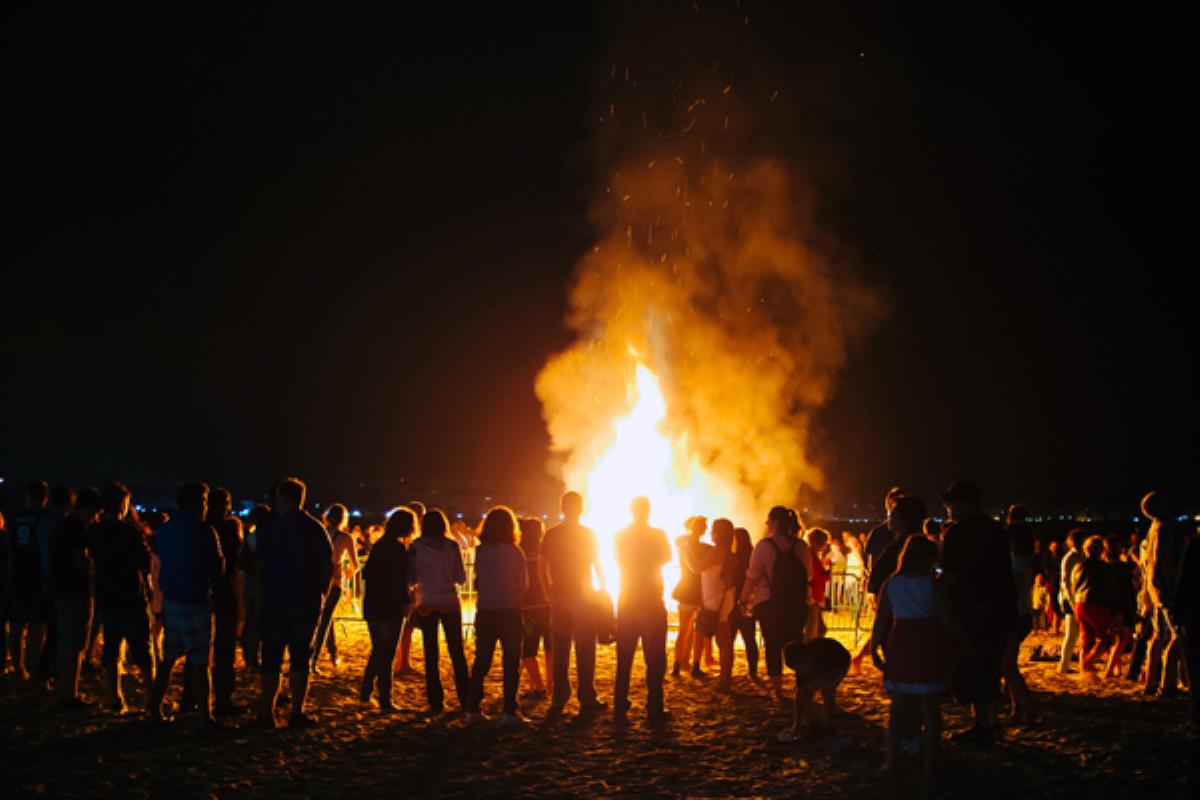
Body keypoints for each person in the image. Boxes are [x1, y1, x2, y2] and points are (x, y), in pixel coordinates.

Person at [871, 535, 960, 774]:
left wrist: (874, 649)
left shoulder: (891, 584)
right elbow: (946, 619)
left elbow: (880, 622)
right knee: (931, 710)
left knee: (897, 708)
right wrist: (963, 641)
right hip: (928, 641)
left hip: (900, 641)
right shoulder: (933, 584)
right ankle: (930, 762)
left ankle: (892, 760)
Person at [939, 481, 1015, 743]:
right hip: (1000, 607)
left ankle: (982, 725)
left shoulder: (958, 533)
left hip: (971, 609)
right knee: (990, 664)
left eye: (952, 503)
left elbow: (951, 574)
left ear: (967, 503)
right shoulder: (997, 529)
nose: (948, 508)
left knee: (972, 664)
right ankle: (988, 723)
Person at [253, 477, 333, 728]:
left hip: (275, 600)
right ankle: (297, 711)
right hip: (306, 601)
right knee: (301, 657)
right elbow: (326, 565)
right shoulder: (315, 528)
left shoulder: (271, 530)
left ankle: (267, 713)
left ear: (282, 498)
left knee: (271, 658)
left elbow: (258, 565)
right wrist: (321, 591)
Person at [147, 483, 223, 723]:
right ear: (195, 502)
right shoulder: (203, 531)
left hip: (172, 600)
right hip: (195, 599)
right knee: (200, 662)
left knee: (168, 659)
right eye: (204, 501)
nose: (206, 506)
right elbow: (217, 568)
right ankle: (204, 716)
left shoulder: (165, 530)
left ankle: (154, 709)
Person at [88, 483, 154, 714]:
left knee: (111, 648)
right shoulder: (128, 531)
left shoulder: (95, 531)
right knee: (142, 650)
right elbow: (144, 562)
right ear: (122, 504)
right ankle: (150, 697)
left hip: (107, 594)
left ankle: (115, 696)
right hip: (131, 594)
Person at [540, 491, 606, 714]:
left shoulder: (552, 534)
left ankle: (560, 696)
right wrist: (603, 587)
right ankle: (586, 696)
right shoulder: (588, 534)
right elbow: (596, 563)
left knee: (560, 646)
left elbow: (542, 566)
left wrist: (547, 590)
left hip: (559, 593)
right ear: (581, 508)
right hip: (583, 594)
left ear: (562, 508)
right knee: (585, 645)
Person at [465, 506, 529, 725]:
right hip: (509, 610)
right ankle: (509, 712)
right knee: (511, 663)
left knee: (482, 661)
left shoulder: (481, 551)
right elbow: (523, 584)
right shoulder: (515, 552)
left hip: (486, 610)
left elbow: (478, 579)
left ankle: (472, 709)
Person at [612, 496, 672, 721]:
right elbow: (667, 557)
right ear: (648, 511)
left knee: (624, 657)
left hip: (627, 600)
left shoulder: (620, 536)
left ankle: (620, 704)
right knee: (655, 659)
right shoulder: (657, 534)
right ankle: (654, 706)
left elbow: (618, 560)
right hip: (651, 601)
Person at [745, 506, 813, 703]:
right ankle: (802, 687)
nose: (767, 525)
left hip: (769, 603)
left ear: (774, 522)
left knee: (772, 645)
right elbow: (808, 574)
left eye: (768, 522)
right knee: (796, 643)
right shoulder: (801, 545)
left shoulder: (764, 546)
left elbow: (753, 575)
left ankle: (778, 692)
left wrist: (743, 599)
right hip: (798, 603)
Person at [410, 508, 470, 715]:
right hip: (449, 600)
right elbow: (461, 577)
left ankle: (436, 701)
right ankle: (465, 697)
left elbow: (411, 577)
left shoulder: (415, 547)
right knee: (456, 652)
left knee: (430, 653)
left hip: (426, 601)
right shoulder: (452, 546)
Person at [359, 507, 414, 713]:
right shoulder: (398, 549)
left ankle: (365, 694)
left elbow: (368, 574)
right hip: (390, 606)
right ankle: (385, 699)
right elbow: (397, 579)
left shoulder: (379, 546)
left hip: (373, 604)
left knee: (378, 650)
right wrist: (404, 601)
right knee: (387, 653)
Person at [49, 487, 99, 708]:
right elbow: (81, 560)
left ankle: (63, 691)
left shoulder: (63, 524)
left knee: (64, 643)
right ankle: (70, 694)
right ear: (90, 509)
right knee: (75, 644)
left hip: (60, 589)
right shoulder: (78, 528)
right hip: (76, 591)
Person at [1141, 491, 1186, 696]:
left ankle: (1151, 682)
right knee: (1179, 635)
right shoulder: (1164, 528)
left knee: (1159, 636)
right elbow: (1166, 560)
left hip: (1155, 589)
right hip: (1167, 589)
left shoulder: (1152, 529)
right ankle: (1167, 684)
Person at [205, 487, 244, 716]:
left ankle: (192, 697)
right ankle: (223, 699)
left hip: (202, 591)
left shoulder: (202, 528)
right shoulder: (230, 528)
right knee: (224, 650)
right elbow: (236, 567)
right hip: (224, 593)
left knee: (199, 650)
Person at [6, 480, 49, 684]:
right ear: (45, 497)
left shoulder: (14, 517)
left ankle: (18, 667)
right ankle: (33, 670)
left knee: (16, 626)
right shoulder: (45, 517)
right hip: (39, 577)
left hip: (18, 576)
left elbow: (9, 547)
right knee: (37, 628)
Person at [313, 503, 360, 675]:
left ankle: (332, 652)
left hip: (316, 581)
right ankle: (315, 659)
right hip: (334, 582)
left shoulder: (318, 533)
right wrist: (345, 574)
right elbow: (355, 565)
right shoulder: (346, 538)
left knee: (325, 617)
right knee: (325, 620)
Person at [779, 637, 850, 745]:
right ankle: (811, 723)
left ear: (809, 659)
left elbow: (831, 677)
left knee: (827, 691)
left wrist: (817, 684)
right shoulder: (800, 662)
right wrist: (796, 722)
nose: (799, 672)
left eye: (801, 668)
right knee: (805, 690)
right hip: (822, 665)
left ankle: (829, 725)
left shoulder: (825, 656)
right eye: (796, 670)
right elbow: (800, 692)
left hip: (839, 663)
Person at [1003, 505, 1037, 722]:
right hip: (1023, 613)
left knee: (1007, 666)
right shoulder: (1027, 560)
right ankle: (1018, 708)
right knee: (1009, 665)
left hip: (1015, 615)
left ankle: (1026, 707)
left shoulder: (1017, 562)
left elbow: (1013, 591)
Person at [698, 518, 738, 691]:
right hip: (724, 598)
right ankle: (724, 678)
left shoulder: (716, 551)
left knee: (724, 643)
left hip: (715, 600)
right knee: (724, 641)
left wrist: (683, 550)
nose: (710, 533)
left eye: (713, 529)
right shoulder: (728, 552)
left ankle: (725, 680)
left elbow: (696, 566)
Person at [519, 517, 552, 699]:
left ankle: (538, 686)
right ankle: (550, 684)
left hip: (528, 607)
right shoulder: (544, 551)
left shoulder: (519, 553)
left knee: (527, 649)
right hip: (547, 605)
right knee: (550, 647)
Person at [671, 516, 707, 678]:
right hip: (699, 591)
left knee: (684, 629)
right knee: (696, 630)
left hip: (687, 590)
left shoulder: (683, 545)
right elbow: (698, 569)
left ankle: (678, 665)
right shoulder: (704, 548)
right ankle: (694, 665)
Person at [393, 500, 426, 676]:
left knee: (405, 627)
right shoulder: (410, 543)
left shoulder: (397, 541)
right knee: (405, 627)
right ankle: (402, 662)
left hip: (401, 588)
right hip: (405, 588)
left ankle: (402, 661)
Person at [1173, 524, 1200, 730]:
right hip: (1193, 612)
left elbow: (1184, 580)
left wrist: (1178, 611)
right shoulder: (1194, 546)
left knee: (1195, 662)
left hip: (1192, 611)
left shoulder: (1194, 546)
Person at [239, 503, 272, 672]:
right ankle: (252, 658)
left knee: (252, 622)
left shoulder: (251, 536)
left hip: (251, 583)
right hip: (259, 583)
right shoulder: (259, 537)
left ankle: (250, 657)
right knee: (256, 623)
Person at [729, 527, 759, 680]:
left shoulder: (733, 558)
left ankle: (727, 669)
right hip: (749, 601)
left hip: (735, 601)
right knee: (749, 637)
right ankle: (752, 670)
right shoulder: (753, 557)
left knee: (730, 638)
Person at [1057, 530, 1085, 673]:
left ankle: (1070, 665)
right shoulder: (1070, 557)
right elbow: (1065, 583)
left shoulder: (1082, 556)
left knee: (1079, 634)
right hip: (1071, 599)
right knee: (1071, 634)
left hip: (1080, 598)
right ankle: (1064, 666)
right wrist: (1073, 603)